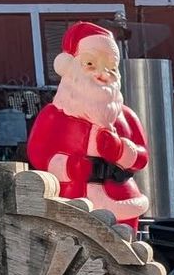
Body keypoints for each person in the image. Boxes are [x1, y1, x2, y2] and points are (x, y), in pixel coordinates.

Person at [25, 21, 150, 223]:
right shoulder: (55, 115)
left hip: (122, 201)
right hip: (73, 198)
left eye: (110, 67)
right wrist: (70, 167)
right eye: (90, 64)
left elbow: (142, 156)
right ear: (70, 66)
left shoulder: (125, 116)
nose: (102, 74)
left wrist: (120, 151)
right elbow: (38, 153)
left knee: (126, 249)